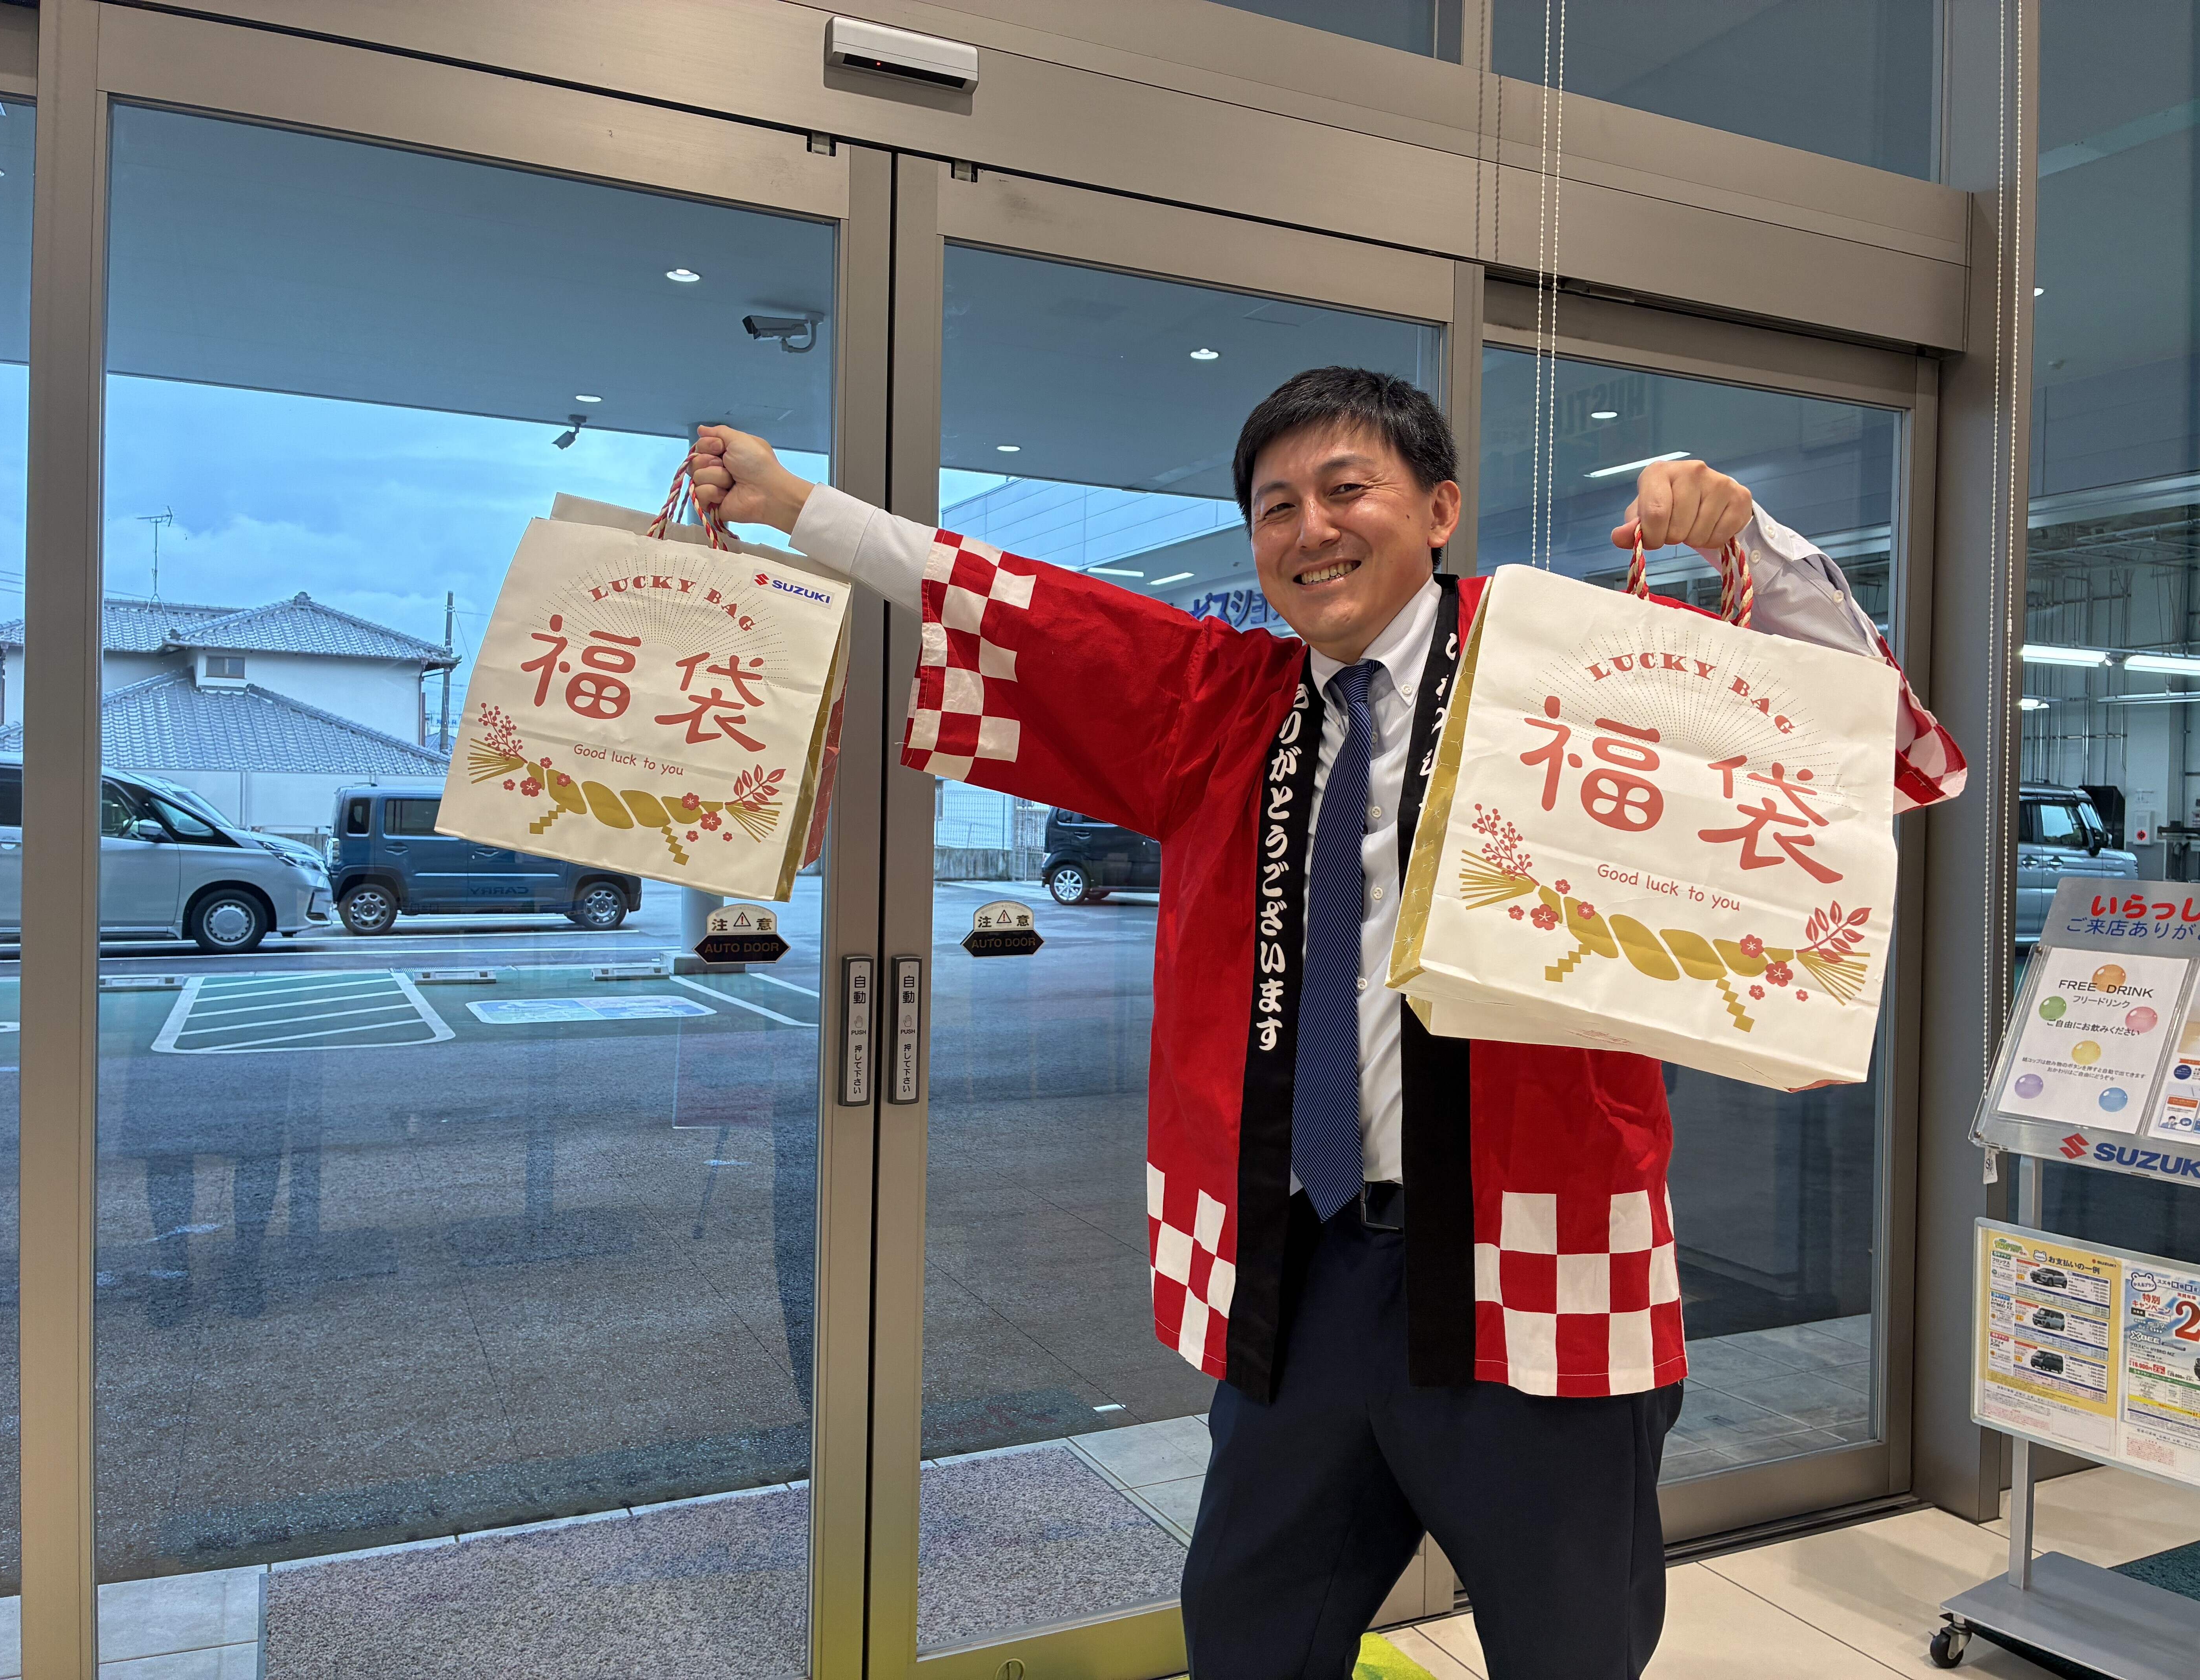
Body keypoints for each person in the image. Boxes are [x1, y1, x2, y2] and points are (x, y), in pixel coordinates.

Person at [687, 367, 1961, 1679]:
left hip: (1539, 1253)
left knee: (1570, 1645)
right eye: (1276, 506)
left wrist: (1749, 545)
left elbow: (1867, 752)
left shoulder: (1566, 672)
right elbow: (1024, 607)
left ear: (1441, 510)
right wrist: (795, 507)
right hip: (1300, 1265)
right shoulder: (1219, 702)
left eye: (1348, 488)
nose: (1312, 529)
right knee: (1251, 1634)